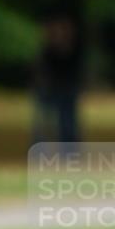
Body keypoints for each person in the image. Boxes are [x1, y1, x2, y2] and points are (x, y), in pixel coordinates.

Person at [32, 12, 83, 154]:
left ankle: (70, 151)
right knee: (42, 122)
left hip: (67, 88)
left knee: (68, 121)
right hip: (49, 89)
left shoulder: (71, 48)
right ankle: (39, 149)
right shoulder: (48, 49)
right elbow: (41, 69)